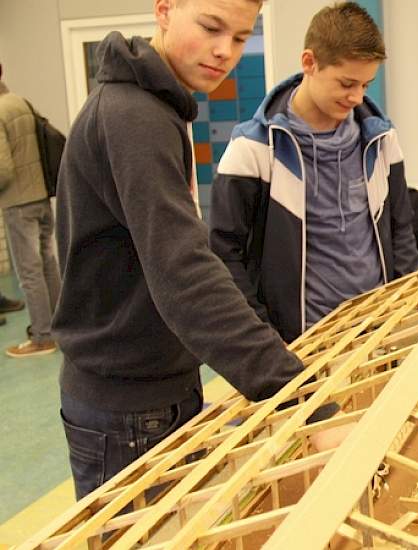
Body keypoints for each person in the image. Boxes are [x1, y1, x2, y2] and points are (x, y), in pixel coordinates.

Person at [53, 0, 333, 500]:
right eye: (210, 27)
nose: (225, 51)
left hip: (155, 385)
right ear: (164, 10)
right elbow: (184, 273)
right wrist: (303, 397)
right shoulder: (133, 117)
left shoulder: (157, 107)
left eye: (241, 37)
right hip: (129, 405)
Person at [210, 2, 418, 342]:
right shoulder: (251, 149)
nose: (356, 97)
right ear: (309, 62)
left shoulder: (382, 140)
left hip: (375, 330)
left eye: (366, 85)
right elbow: (224, 255)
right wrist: (263, 337)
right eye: (346, 83)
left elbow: (401, 230)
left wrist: (407, 310)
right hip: (299, 341)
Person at [0, 62, 61, 356]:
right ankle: (61, 328)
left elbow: (3, 170)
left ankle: (42, 336)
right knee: (47, 262)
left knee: (29, 271)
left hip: (18, 202)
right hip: (41, 196)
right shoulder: (20, 102)